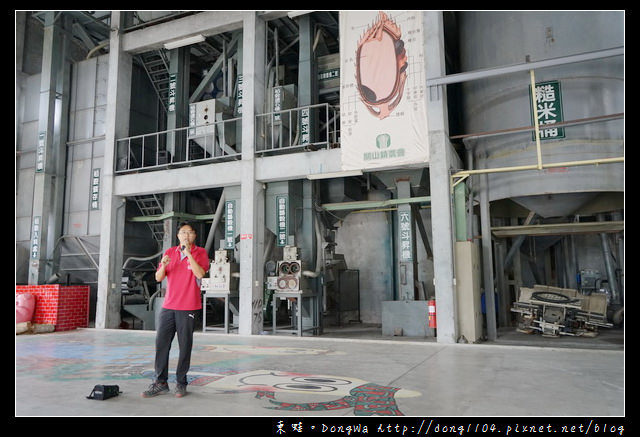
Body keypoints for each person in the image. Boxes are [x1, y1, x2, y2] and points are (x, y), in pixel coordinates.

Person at [142, 222, 209, 398]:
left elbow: (200, 274)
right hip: (168, 306)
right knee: (161, 344)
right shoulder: (169, 252)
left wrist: (188, 254)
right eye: (182, 232)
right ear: (178, 236)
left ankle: (181, 383)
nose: (186, 235)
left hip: (189, 306)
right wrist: (163, 265)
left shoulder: (200, 252)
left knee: (184, 346)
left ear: (194, 235)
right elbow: (158, 277)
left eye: (189, 232)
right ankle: (160, 382)